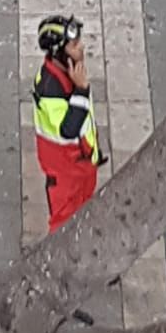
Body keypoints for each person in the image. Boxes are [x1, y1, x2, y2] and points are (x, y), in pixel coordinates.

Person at [33, 13, 104, 233]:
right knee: (62, 226)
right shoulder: (50, 89)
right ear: (59, 53)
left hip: (81, 165)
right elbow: (68, 129)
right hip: (65, 172)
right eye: (74, 44)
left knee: (84, 211)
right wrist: (81, 90)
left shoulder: (69, 73)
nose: (81, 47)